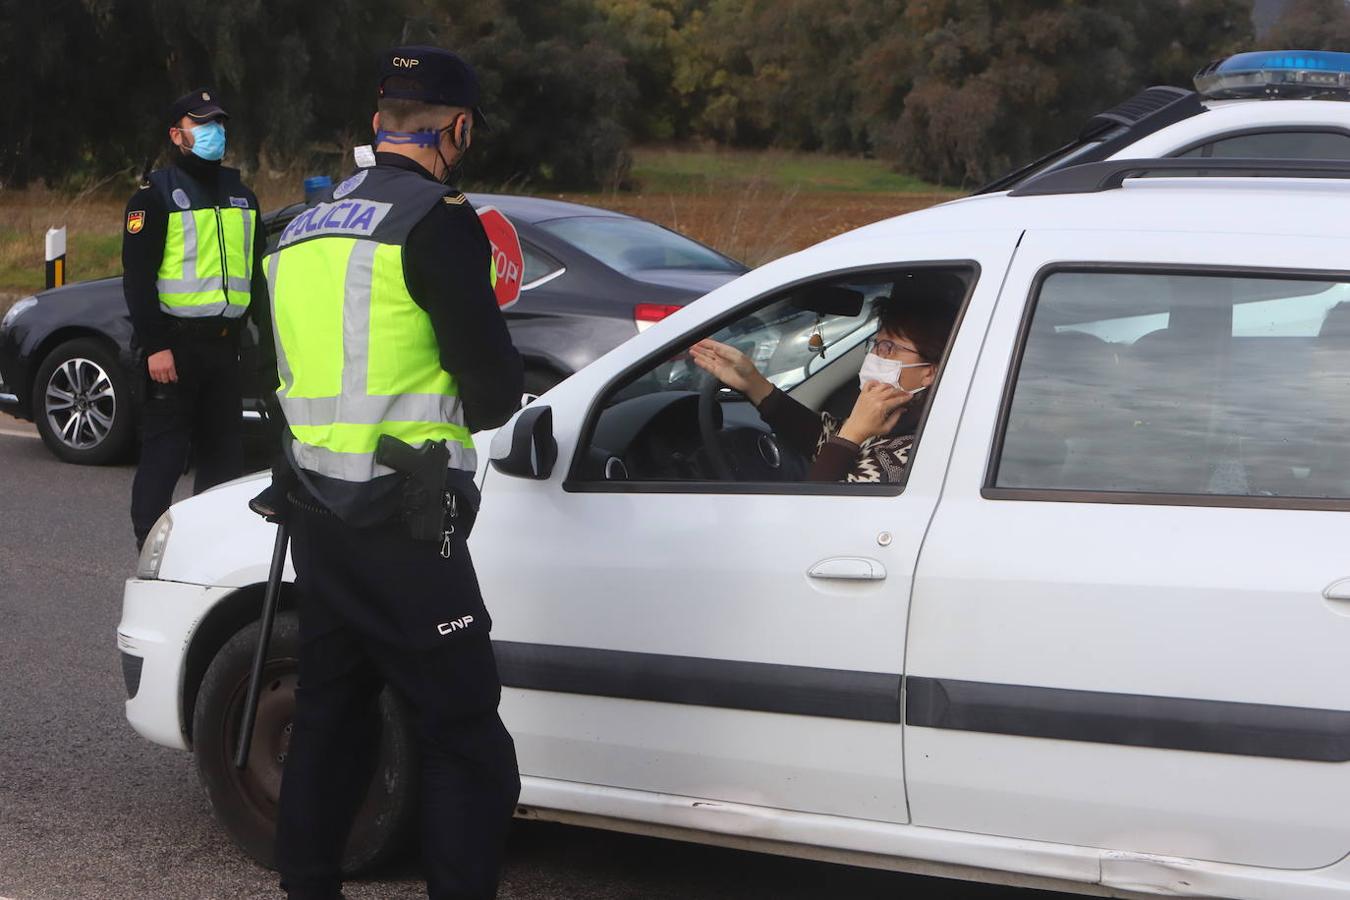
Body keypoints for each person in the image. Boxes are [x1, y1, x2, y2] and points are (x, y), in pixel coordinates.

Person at [259, 45, 523, 900]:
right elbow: (490, 394)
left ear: (379, 123)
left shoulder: (295, 231)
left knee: (332, 722)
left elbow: (276, 377)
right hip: (410, 527)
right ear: (459, 127)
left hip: (319, 517)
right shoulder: (438, 222)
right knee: (465, 742)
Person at [123, 88, 267, 549]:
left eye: (219, 124)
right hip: (176, 349)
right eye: (202, 124)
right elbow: (138, 279)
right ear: (177, 134)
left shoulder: (242, 197)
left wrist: (264, 344)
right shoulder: (154, 197)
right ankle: (149, 545)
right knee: (165, 457)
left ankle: (209, 549)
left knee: (225, 459)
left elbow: (257, 277)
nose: (215, 133)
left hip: (226, 348)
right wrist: (156, 346)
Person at [691, 286, 955, 483]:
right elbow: (823, 439)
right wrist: (753, 383)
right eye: (875, 344)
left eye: (889, 348)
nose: (875, 356)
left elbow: (815, 505)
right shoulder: (894, 420)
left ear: (929, 372)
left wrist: (853, 433)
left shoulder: (908, 455)